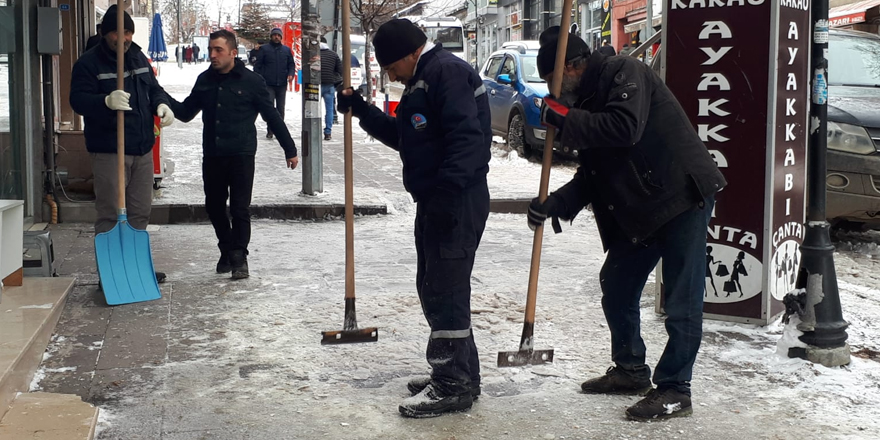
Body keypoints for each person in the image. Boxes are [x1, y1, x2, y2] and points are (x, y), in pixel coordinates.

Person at [526, 27, 726, 421]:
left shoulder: (624, 71)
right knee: (616, 283)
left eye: (551, 80)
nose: (552, 92)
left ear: (569, 67)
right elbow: (595, 173)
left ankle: (674, 389)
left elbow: (623, 128)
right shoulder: (585, 98)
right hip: (644, 208)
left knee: (681, 298)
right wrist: (554, 204)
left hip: (682, 193)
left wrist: (565, 117)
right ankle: (631, 369)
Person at [337, 18, 491, 419]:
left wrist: (445, 195)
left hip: (456, 201)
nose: (390, 74)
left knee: (445, 289)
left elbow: (468, 142)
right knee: (434, 286)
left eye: (390, 67)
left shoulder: (446, 74)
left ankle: (452, 385)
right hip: (438, 200)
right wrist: (362, 111)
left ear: (409, 53)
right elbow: (406, 137)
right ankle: (459, 373)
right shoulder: (424, 78)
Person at [165, 30, 299, 280]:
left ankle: (239, 256)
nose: (213, 55)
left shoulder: (252, 81)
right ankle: (226, 247)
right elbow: (185, 112)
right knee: (214, 207)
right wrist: (160, 97)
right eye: (211, 50)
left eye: (218, 50)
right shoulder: (205, 80)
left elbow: (272, 116)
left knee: (239, 208)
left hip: (241, 153)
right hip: (213, 154)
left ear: (233, 53)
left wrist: (289, 149)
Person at [69, 5, 174, 284]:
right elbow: (77, 101)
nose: (124, 38)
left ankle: (134, 267)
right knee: (111, 214)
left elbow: (153, 89)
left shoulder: (137, 56)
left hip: (141, 149)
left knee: (139, 213)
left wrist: (162, 103)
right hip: (109, 151)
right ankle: (111, 273)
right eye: (118, 32)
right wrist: (104, 101)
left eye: (128, 31)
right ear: (105, 34)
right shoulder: (88, 64)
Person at [253, 28, 295, 139]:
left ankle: (279, 130)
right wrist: (259, 79)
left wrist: (291, 74)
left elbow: (291, 64)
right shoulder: (264, 49)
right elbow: (258, 66)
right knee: (270, 107)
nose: (276, 37)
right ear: (271, 36)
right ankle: (270, 130)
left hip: (281, 84)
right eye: (274, 35)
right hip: (268, 84)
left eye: (278, 35)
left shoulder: (286, 50)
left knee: (281, 108)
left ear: (281, 37)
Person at [319, 37, 342, 141]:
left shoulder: (313, 54)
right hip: (329, 85)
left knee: (314, 109)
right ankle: (328, 132)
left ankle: (313, 128)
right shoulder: (333, 55)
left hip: (315, 86)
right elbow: (340, 70)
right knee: (329, 109)